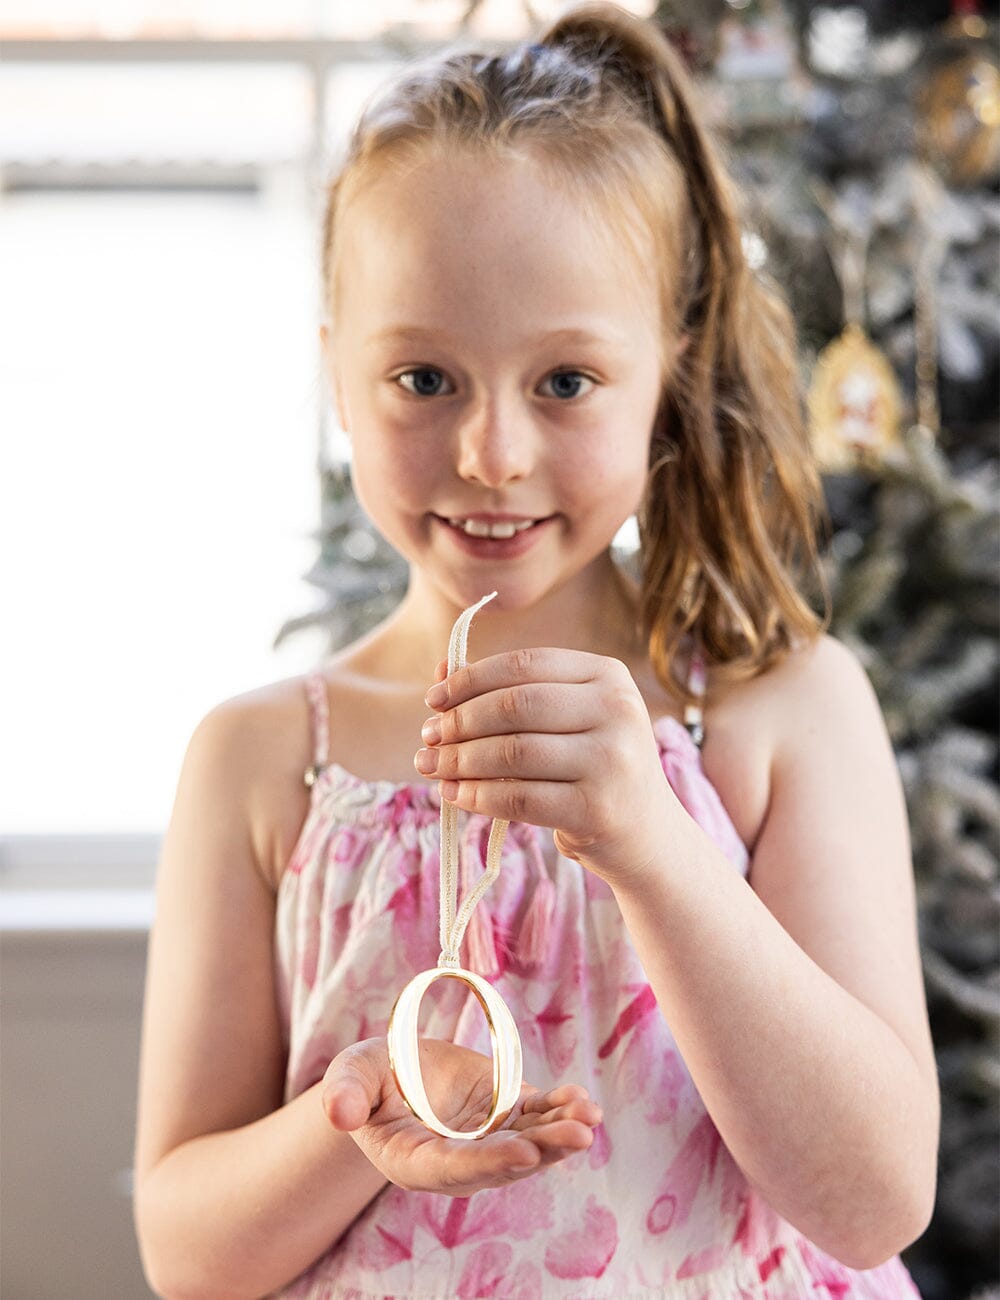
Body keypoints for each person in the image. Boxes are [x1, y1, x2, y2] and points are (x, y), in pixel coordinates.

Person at [133, 4, 940, 1296]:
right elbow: (185, 1248)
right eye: (424, 379)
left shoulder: (779, 713)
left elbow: (874, 1197)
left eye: (565, 382)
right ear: (339, 375)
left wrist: (655, 850)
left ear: (664, 377)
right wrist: (365, 1112)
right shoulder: (266, 761)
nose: (491, 454)